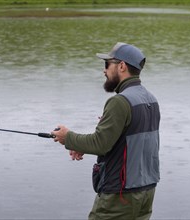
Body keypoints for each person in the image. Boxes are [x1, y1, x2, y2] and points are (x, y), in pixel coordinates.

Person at [52, 42, 160, 220]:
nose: (104, 71)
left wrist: (67, 137)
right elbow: (126, 143)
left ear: (122, 66)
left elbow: (100, 144)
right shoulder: (151, 100)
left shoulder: (119, 102)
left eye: (107, 64)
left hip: (120, 196)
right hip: (146, 192)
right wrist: (82, 146)